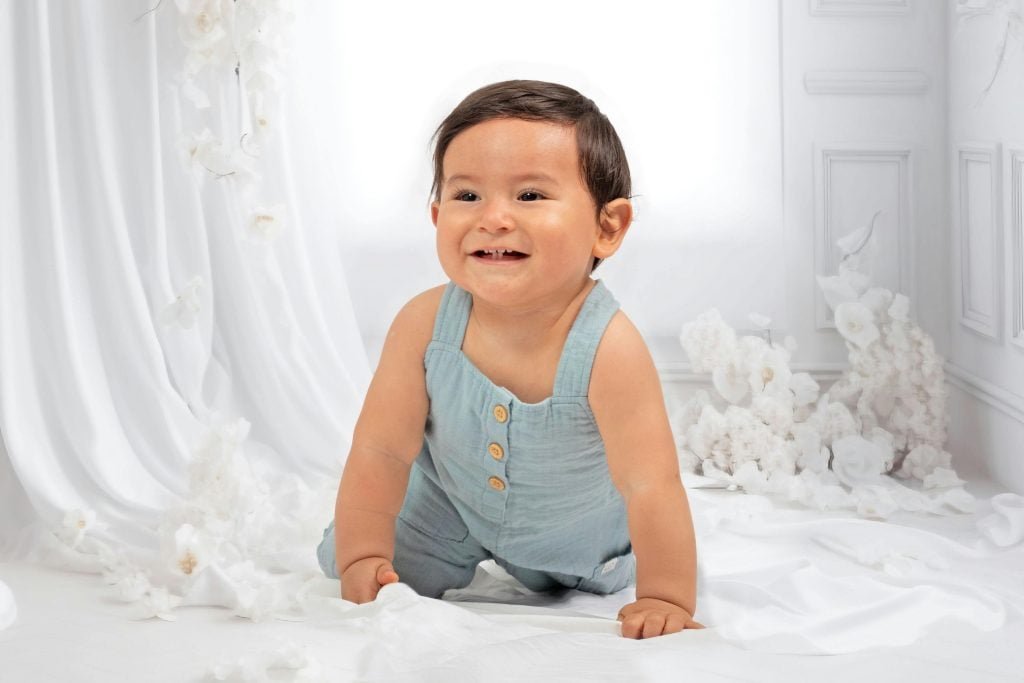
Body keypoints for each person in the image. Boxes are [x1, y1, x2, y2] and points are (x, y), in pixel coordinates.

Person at [317, 80, 701, 639]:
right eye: (467, 196)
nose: (493, 218)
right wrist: (362, 553)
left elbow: (652, 485)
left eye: (530, 196)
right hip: (451, 508)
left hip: (577, 537)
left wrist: (667, 595)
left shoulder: (608, 348)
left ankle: (604, 575)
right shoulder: (423, 324)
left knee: (610, 574)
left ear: (607, 226)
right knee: (347, 563)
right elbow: (380, 451)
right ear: (435, 215)